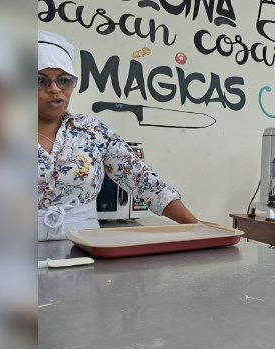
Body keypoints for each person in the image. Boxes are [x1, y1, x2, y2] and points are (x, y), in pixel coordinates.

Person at [37, 30, 201, 241]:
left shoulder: (92, 132)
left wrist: (195, 226)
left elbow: (144, 182)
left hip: (82, 245)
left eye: (64, 80)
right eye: (40, 80)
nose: (54, 89)